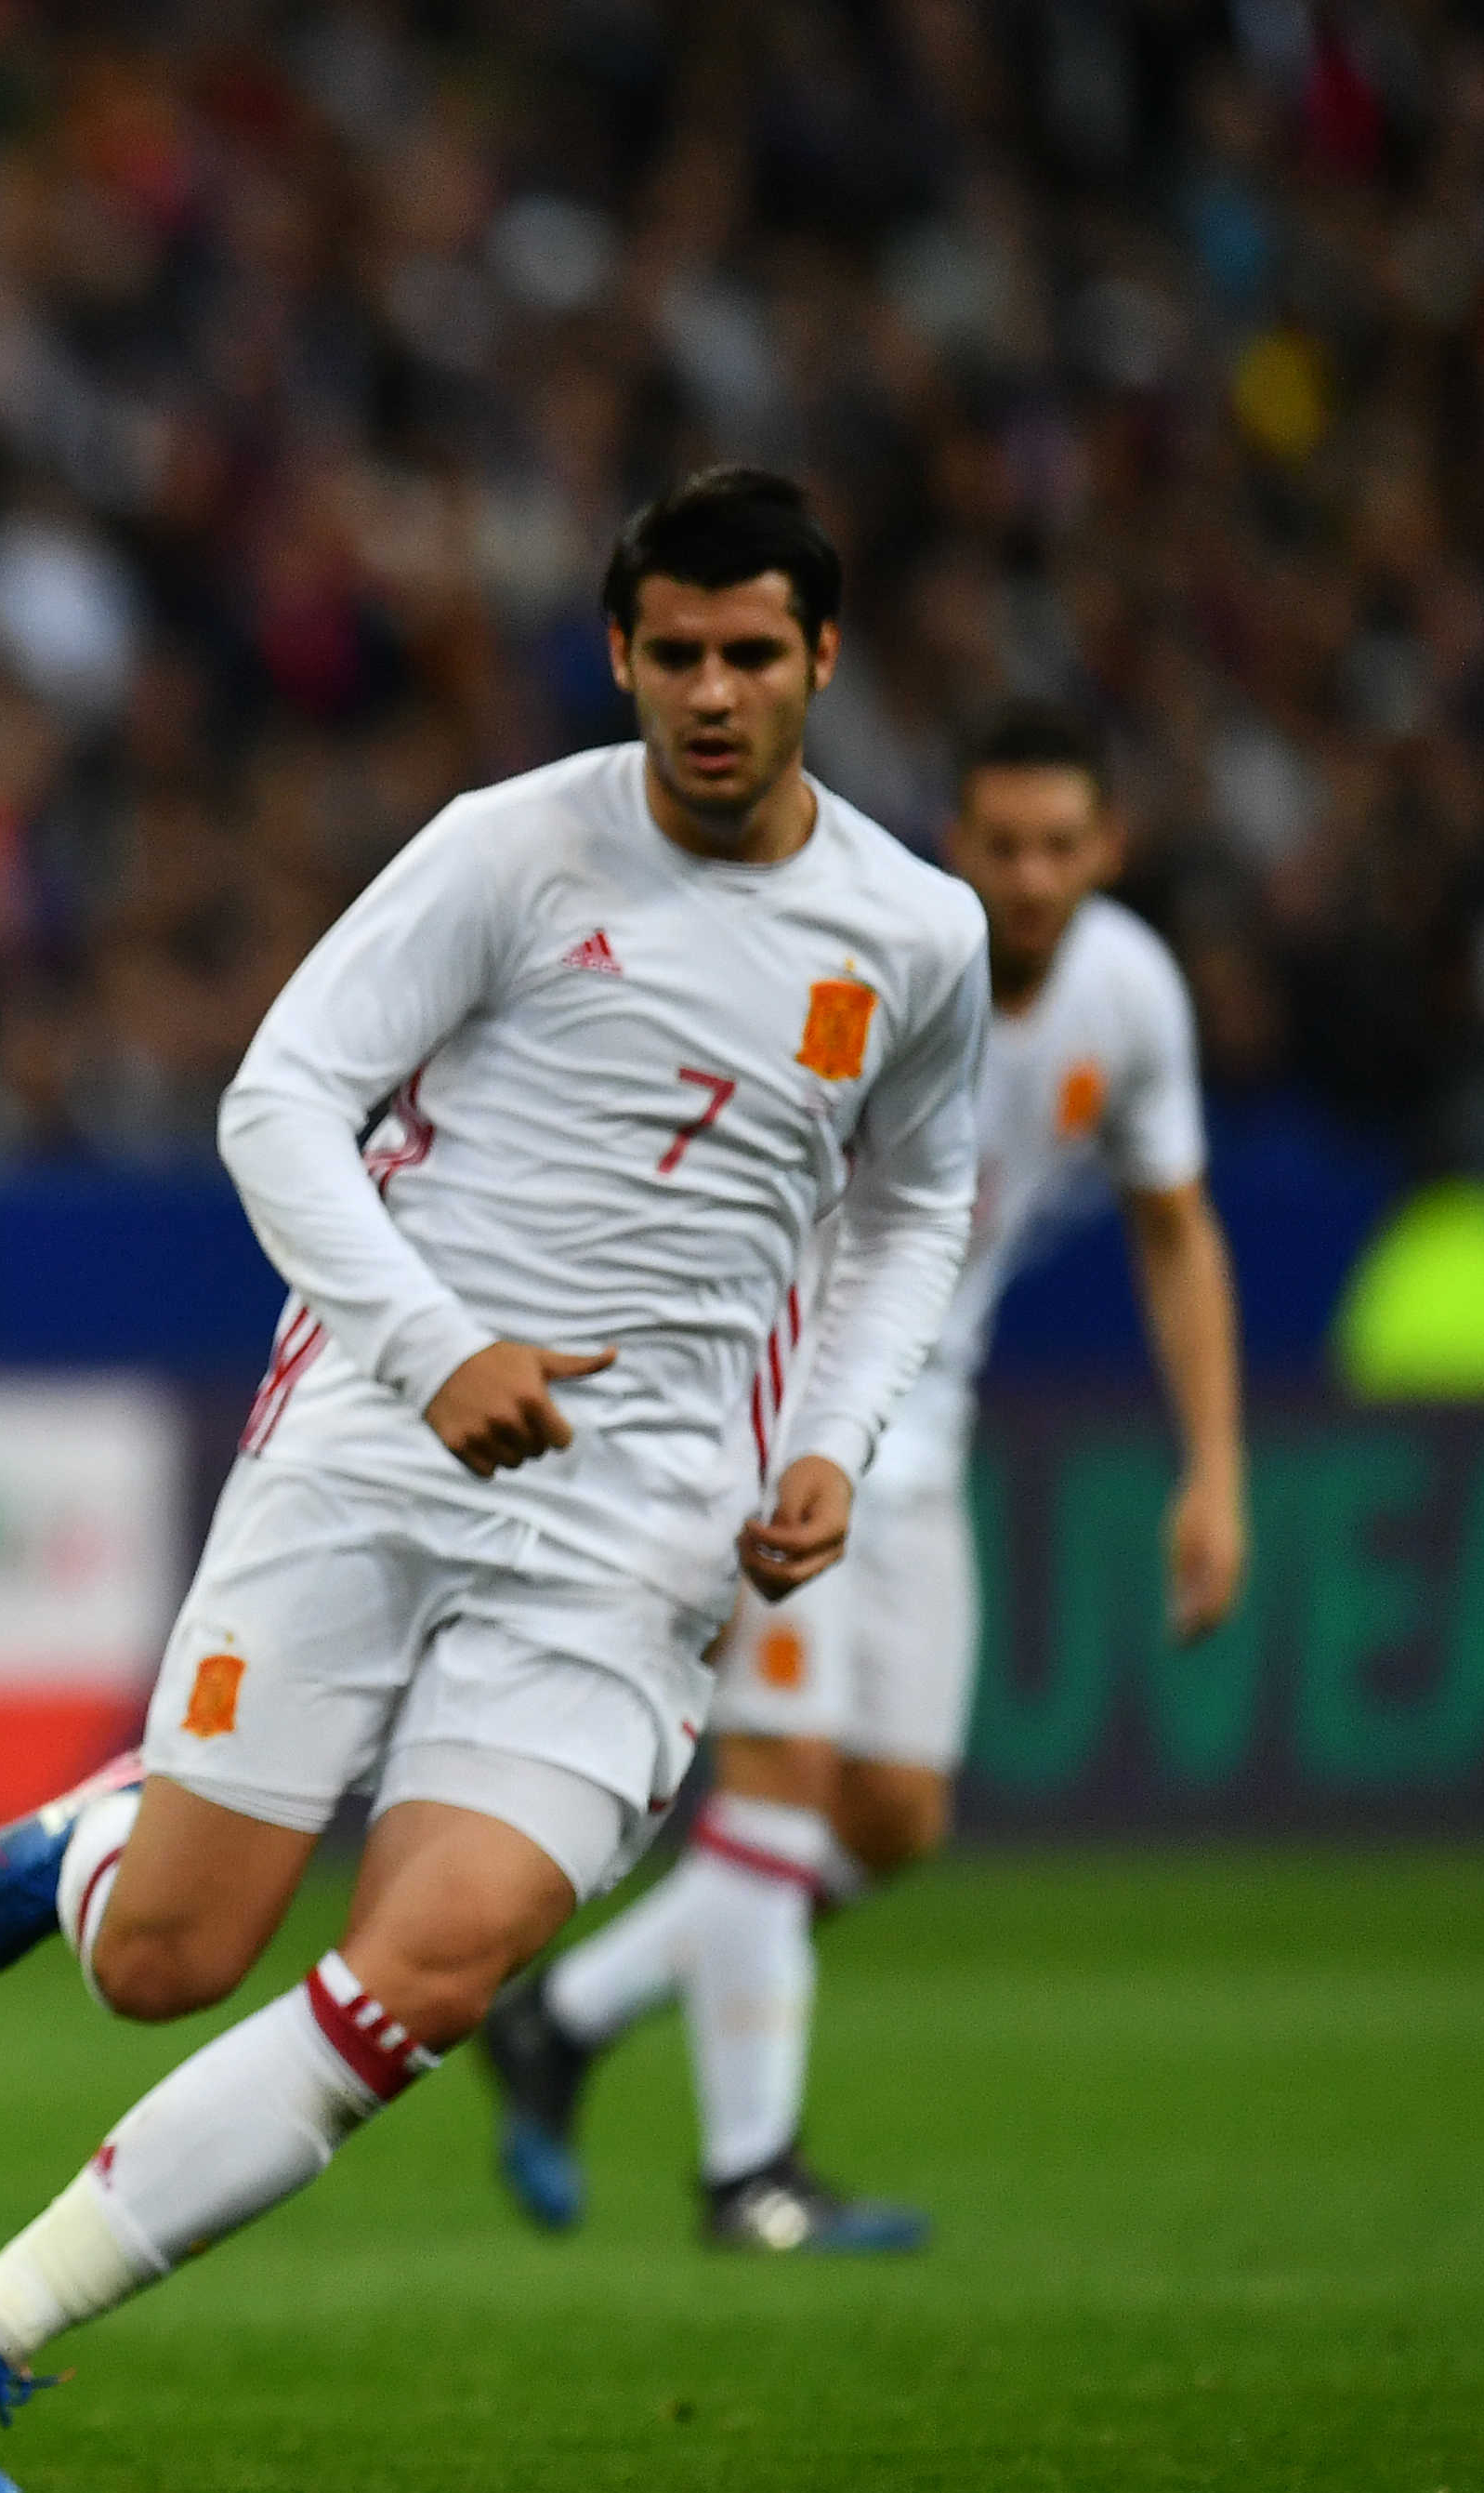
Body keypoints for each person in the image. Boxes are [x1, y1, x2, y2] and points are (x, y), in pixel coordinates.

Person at [0, 468, 983, 2493]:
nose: (713, 693)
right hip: (378, 1441)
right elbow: (278, 1095)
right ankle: (99, 1837)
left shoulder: (917, 934)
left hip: (641, 1531)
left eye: (754, 653)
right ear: (623, 652)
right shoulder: (510, 849)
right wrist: (432, 1343)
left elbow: (915, 1210)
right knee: (166, 1963)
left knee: (435, 1967)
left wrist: (834, 1437)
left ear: (822, 656)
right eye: (675, 654)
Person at [481, 702, 1244, 2249]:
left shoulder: (1128, 994)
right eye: (1000, 845)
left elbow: (1175, 1227)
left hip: (922, 1418)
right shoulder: (881, 954)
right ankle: (746, 2176)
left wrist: (1213, 1468)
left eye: (1057, 847)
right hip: (766, 1413)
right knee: (780, 1775)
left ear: (1105, 848)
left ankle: (564, 2013)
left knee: (893, 1816)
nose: (1027, 879)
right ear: (956, 840)